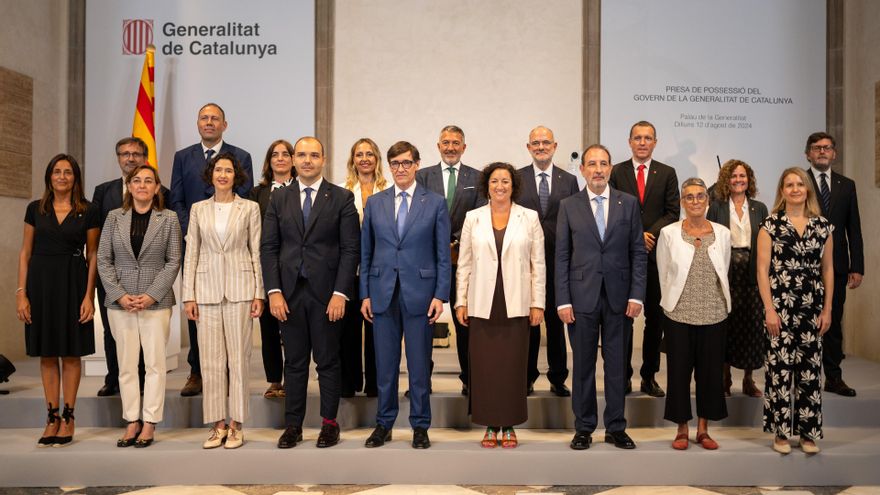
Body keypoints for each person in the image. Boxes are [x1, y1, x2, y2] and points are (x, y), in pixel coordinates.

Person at [261, 136, 360, 449]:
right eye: (301, 155)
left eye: (313, 155)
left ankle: (329, 424)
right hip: (289, 294)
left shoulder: (341, 197)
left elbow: (350, 249)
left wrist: (341, 293)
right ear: (293, 160)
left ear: (323, 160)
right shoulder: (279, 198)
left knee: (328, 361)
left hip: (327, 295)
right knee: (294, 362)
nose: (307, 160)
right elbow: (269, 247)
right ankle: (294, 426)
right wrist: (273, 291)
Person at [361, 141, 451, 449]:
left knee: (419, 365)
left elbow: (442, 255)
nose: (401, 168)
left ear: (416, 165)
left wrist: (440, 295)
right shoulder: (375, 203)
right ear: (389, 167)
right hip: (382, 293)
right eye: (395, 163)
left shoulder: (435, 203)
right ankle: (383, 424)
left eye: (406, 163)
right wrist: (365, 294)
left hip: (421, 295)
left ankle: (420, 426)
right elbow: (366, 251)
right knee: (385, 366)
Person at [556, 145, 646, 451]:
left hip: (620, 299)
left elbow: (638, 252)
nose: (598, 169)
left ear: (610, 168)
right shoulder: (569, 205)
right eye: (592, 164)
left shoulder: (628, 203)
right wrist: (563, 300)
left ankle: (616, 427)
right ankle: (583, 428)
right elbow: (562, 256)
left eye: (603, 164)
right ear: (582, 170)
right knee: (583, 366)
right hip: (580, 298)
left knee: (617, 366)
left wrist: (637, 295)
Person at [455, 162, 543, 449]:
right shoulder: (473, 218)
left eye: (505, 181)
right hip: (483, 302)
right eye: (494, 181)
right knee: (485, 367)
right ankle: (491, 424)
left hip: (516, 302)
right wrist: (460, 301)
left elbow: (538, 264)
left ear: (513, 186)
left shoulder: (529, 217)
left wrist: (537, 303)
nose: (500, 186)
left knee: (512, 366)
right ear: (487, 186)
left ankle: (510, 424)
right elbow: (464, 263)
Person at [170, 102, 254, 397]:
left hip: (231, 247)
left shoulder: (241, 156)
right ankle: (197, 371)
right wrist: (193, 231)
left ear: (224, 125)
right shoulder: (183, 157)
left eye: (214, 118)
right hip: (197, 246)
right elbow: (177, 200)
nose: (209, 122)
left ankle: (229, 371)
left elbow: (244, 198)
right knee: (198, 310)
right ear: (198, 123)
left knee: (232, 313)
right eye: (204, 118)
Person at [16, 154, 100, 447]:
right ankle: (51, 417)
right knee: (48, 353)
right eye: (56, 171)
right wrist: (21, 293)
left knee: (71, 354)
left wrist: (89, 296)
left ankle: (69, 415)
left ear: (76, 177)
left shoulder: (89, 210)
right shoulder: (34, 209)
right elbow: (25, 252)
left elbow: (93, 255)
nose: (62, 176)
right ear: (49, 176)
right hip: (40, 285)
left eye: (68, 172)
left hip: (73, 282)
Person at [182, 152, 264, 450]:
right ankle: (217, 425)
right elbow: (192, 252)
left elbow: (256, 250)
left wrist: (259, 292)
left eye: (228, 170)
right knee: (211, 361)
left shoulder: (250, 208)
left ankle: (237, 424)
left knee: (239, 360)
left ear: (236, 176)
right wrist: (188, 295)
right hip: (206, 291)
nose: (223, 175)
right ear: (211, 174)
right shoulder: (198, 209)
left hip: (241, 290)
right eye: (218, 170)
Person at [97, 164, 181, 448]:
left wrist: (151, 295)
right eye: (137, 180)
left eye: (148, 181)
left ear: (157, 188)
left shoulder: (168, 218)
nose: (142, 185)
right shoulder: (113, 217)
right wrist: (119, 294)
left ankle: (149, 423)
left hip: (155, 303)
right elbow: (103, 260)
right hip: (120, 304)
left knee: (155, 364)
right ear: (129, 186)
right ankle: (131, 420)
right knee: (126, 365)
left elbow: (173, 261)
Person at [757, 167, 833, 455]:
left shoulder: (822, 226)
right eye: (789, 184)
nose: (795, 188)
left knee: (810, 373)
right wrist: (769, 309)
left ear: (807, 189)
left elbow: (828, 270)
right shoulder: (770, 225)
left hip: (812, 308)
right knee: (779, 371)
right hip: (780, 308)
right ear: (782, 191)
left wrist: (827, 309)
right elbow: (762, 270)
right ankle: (780, 433)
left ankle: (808, 433)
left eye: (800, 183)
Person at [656, 177, 730, 451]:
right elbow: (664, 273)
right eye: (689, 196)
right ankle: (682, 428)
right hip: (679, 314)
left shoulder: (723, 233)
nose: (695, 201)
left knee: (710, 375)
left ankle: (703, 429)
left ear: (708, 201)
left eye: (700, 196)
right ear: (682, 202)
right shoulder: (669, 233)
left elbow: (723, 270)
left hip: (714, 313)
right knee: (678, 373)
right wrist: (670, 305)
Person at [92, 137, 169, 397]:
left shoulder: (163, 193)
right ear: (118, 158)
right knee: (113, 332)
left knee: (147, 338)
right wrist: (111, 281)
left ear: (145, 158)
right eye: (124, 154)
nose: (130, 158)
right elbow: (97, 237)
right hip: (112, 277)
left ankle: (144, 382)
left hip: (149, 281)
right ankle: (113, 378)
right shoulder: (103, 192)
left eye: (136, 153)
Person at [609, 120, 679, 397]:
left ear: (655, 143)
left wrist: (649, 234)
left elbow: (673, 212)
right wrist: (636, 236)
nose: (642, 142)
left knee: (655, 320)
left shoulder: (667, 173)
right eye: (637, 138)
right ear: (629, 142)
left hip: (655, 259)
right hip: (623, 258)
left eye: (647, 138)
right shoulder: (617, 172)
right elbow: (611, 211)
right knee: (623, 320)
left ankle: (649, 377)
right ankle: (623, 377)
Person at [415, 125, 486, 395]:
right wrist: (437, 241)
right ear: (438, 146)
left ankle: (471, 380)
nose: (450, 147)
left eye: (456, 143)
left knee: (465, 323)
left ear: (464, 147)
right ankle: (422, 381)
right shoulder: (422, 176)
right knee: (423, 323)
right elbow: (417, 214)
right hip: (427, 261)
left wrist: (453, 241)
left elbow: (478, 216)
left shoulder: (477, 178)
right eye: (446, 142)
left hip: (462, 261)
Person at [516, 126, 579, 397]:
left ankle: (557, 377)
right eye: (536, 143)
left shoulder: (569, 180)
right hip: (525, 262)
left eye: (545, 143)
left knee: (555, 322)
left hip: (557, 261)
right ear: (528, 147)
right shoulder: (517, 178)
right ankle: (527, 377)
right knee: (528, 323)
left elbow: (575, 219)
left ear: (555, 146)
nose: (541, 147)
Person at [803, 132, 863, 397]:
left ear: (834, 153)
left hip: (837, 266)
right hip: (804, 266)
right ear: (808, 154)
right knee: (805, 323)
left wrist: (857, 266)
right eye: (817, 148)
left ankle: (834, 377)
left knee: (833, 323)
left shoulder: (847, 185)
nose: (822, 151)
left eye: (827, 148)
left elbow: (854, 228)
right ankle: (805, 378)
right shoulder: (799, 182)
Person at [707, 160, 769, 398]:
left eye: (742, 176)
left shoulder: (759, 208)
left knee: (752, 327)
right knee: (727, 326)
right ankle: (725, 378)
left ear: (748, 179)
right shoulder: (717, 207)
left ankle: (748, 379)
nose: (738, 180)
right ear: (726, 180)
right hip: (726, 271)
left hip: (753, 273)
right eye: (733, 176)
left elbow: (766, 243)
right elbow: (711, 241)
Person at [340, 137, 388, 398]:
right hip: (351, 271)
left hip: (380, 271)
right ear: (353, 160)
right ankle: (349, 383)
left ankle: (374, 385)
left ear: (377, 158)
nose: (365, 159)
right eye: (359, 154)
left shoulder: (389, 190)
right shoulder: (342, 191)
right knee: (348, 330)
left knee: (376, 330)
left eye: (369, 154)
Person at [249, 139, 296, 399]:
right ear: (269, 161)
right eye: (275, 154)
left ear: (293, 159)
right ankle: (274, 380)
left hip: (295, 267)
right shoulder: (257, 194)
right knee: (268, 328)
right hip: (266, 265)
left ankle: (293, 378)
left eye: (285, 154)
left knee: (293, 328)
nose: (280, 158)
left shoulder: (302, 189)